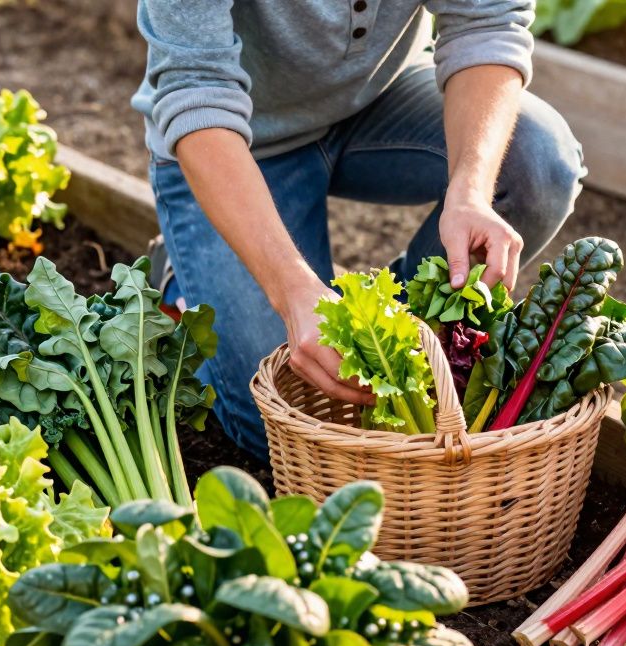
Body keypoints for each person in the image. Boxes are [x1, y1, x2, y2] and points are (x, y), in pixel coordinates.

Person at [133, 0, 586, 460]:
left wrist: (471, 188)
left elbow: (487, 22)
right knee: (281, 423)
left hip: (381, 101)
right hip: (236, 139)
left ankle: (394, 338)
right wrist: (291, 290)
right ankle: (181, 279)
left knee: (538, 163)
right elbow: (196, 89)